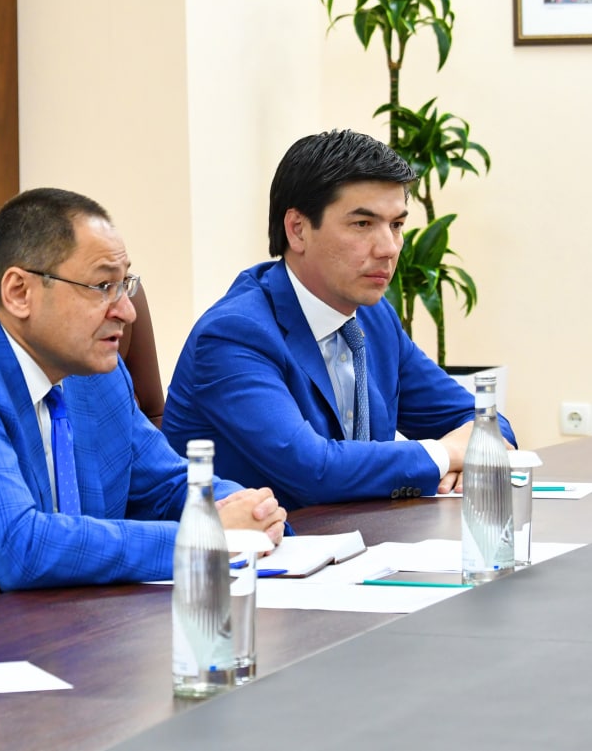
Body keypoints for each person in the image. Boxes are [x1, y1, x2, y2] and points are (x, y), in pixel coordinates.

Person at [0, 188, 287, 590]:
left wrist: (246, 511)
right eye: (103, 286)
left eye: (125, 284)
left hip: (57, 626)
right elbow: (18, 547)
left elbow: (167, 486)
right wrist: (204, 536)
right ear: (19, 292)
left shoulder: (94, 369)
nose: (127, 311)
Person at [162, 129, 517, 511]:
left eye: (396, 225)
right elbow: (313, 471)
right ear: (298, 230)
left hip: (366, 538)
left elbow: (487, 423)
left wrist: (473, 454)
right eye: (362, 224)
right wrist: (448, 455)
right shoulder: (235, 334)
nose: (388, 248)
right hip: (266, 546)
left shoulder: (374, 318)